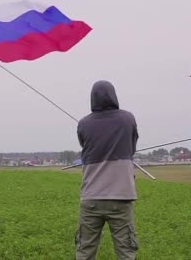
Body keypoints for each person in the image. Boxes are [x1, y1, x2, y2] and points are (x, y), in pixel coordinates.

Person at [75, 80, 139, 260]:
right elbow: (131, 147)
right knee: (126, 250)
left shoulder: (83, 124)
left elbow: (84, 146)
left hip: (91, 197)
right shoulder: (128, 119)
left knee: (85, 250)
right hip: (121, 197)